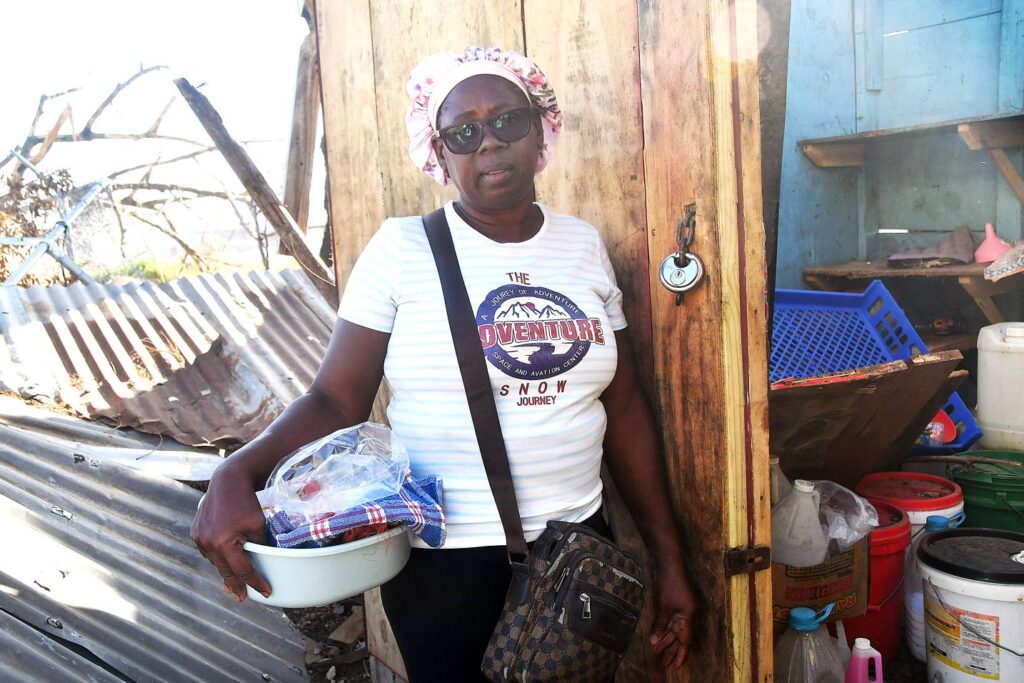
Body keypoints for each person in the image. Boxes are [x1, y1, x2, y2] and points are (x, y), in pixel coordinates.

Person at [191, 46, 697, 681]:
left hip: (579, 550)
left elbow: (621, 407)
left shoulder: (582, 245)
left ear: (539, 128)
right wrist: (238, 470)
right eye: (465, 130)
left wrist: (668, 558)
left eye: (508, 120)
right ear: (440, 151)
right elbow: (336, 401)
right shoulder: (402, 249)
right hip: (447, 563)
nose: (489, 143)